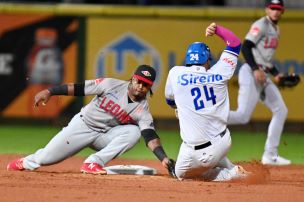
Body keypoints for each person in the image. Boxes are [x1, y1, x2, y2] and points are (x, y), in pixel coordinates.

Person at [7, 64, 176, 176]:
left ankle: (92, 163)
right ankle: (25, 162)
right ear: (132, 78)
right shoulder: (110, 84)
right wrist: (50, 92)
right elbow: (79, 88)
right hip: (82, 126)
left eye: (145, 85)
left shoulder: (142, 110)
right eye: (139, 81)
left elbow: (150, 136)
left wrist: (163, 158)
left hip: (105, 136)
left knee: (134, 132)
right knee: (45, 159)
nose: (140, 86)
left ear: (149, 87)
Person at [164, 22, 249, 181]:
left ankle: (231, 174)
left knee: (182, 175)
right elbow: (235, 43)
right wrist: (217, 30)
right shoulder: (221, 72)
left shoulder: (175, 73)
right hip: (224, 141)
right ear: (207, 60)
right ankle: (228, 165)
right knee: (208, 146)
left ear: (188, 59)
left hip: (200, 152)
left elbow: (169, 100)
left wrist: (178, 107)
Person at [228, 0, 290, 166]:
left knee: (281, 110)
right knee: (242, 116)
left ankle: (270, 155)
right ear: (267, 9)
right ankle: (208, 116)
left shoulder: (276, 29)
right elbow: (246, 47)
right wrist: (255, 69)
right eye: (273, 8)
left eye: (278, 9)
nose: (275, 11)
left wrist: (276, 75)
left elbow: (265, 59)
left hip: (262, 73)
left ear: (282, 11)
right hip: (251, 71)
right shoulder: (261, 24)